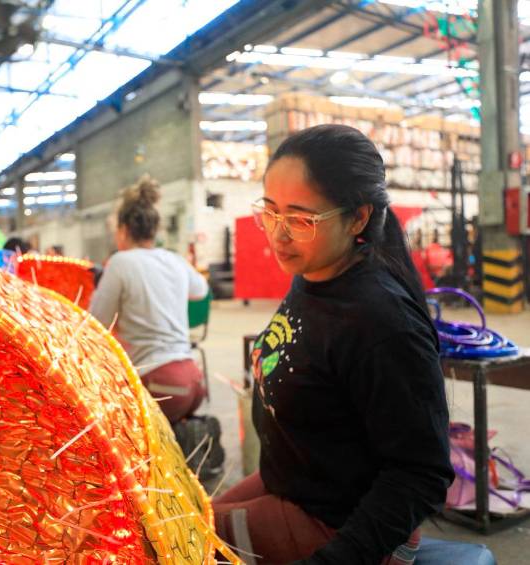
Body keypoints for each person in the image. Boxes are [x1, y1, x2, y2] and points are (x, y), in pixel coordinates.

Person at [213, 124, 478, 564]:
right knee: (171, 515)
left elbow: (421, 473)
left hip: (342, 523)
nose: (278, 234)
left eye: (300, 219)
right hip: (302, 484)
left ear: (358, 217)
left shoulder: (380, 321)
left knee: (172, 544)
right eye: (271, 211)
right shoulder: (314, 275)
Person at [89, 175, 208, 424]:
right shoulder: (173, 259)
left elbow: (96, 323)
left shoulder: (120, 262)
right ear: (154, 230)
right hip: (193, 378)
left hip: (160, 384)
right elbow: (201, 290)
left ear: (123, 230)